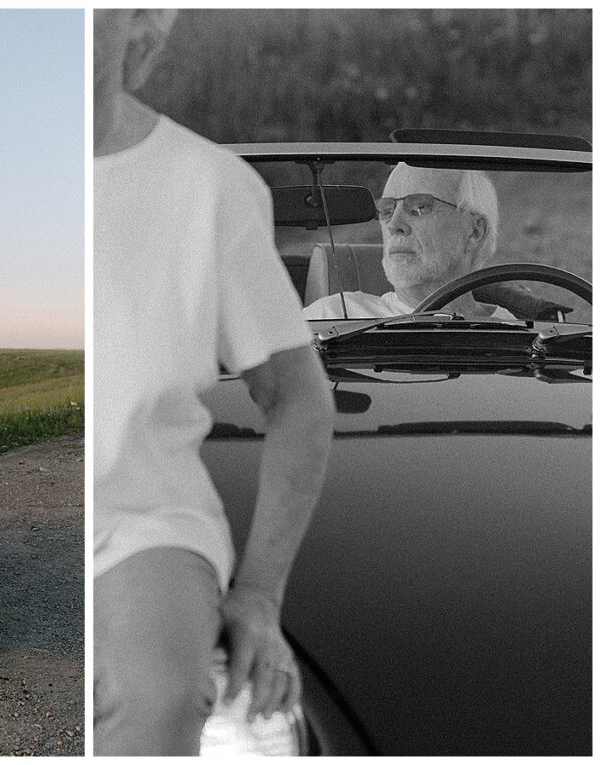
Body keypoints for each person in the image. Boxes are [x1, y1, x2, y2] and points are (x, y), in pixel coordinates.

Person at [94, 9, 335, 756]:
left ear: (140, 26)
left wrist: (259, 595)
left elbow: (298, 397)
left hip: (142, 523)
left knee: (159, 693)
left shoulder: (208, 185)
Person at [304, 163, 517, 319]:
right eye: (387, 210)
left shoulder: (515, 332)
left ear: (474, 232)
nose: (393, 224)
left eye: (419, 207)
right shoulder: (330, 317)